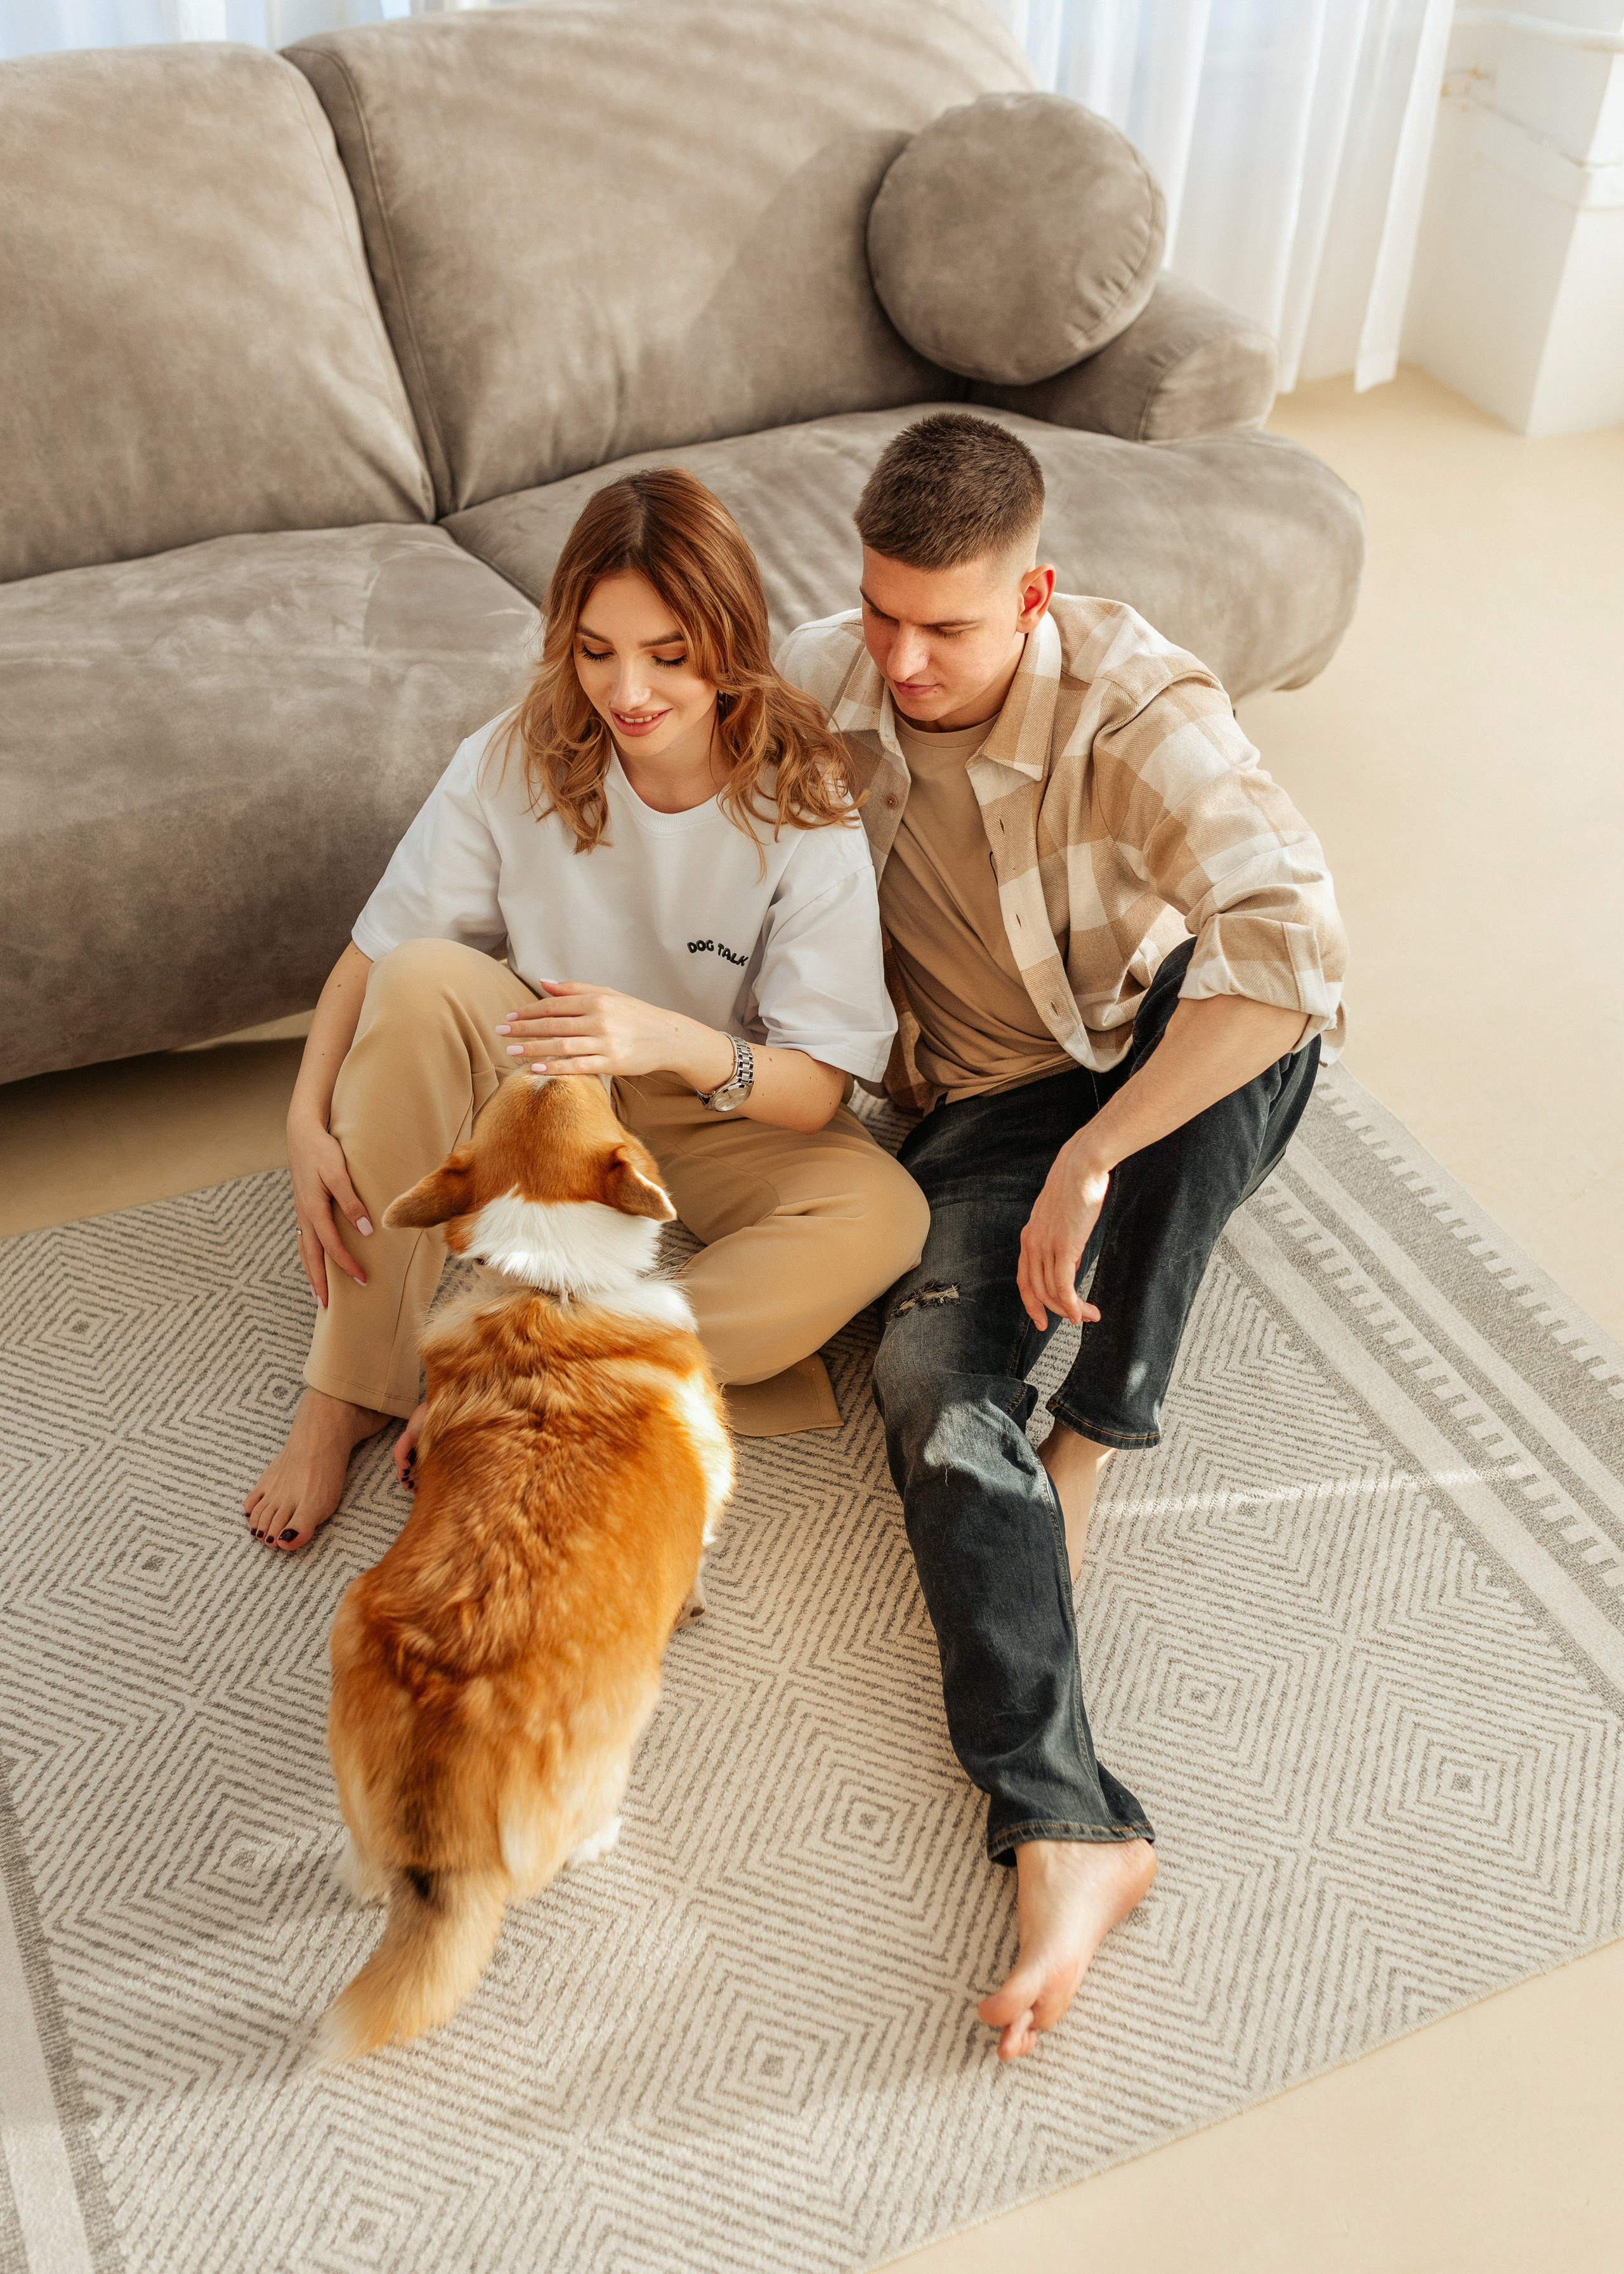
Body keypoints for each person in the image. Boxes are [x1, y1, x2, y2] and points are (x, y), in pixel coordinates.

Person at [779, 411, 1347, 2062]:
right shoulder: (832, 676)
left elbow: (1294, 941)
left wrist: (1101, 1148)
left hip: (1140, 1067)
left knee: (1249, 1003)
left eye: (944, 624)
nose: (901, 656)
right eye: (880, 610)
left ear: (1035, 593)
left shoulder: (1133, 701)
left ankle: (1096, 1428)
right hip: (969, 1119)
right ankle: (1068, 1825)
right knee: (933, 1408)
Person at [246, 469, 928, 1553]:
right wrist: (301, 1120)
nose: (629, 691)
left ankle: (550, 1365)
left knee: (887, 1218)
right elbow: (372, 958)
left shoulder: (804, 805)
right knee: (423, 975)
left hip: (712, 1096)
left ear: (728, 642)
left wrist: (664, 1037)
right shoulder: (515, 754)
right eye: (598, 649)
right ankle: (350, 1389)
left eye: (667, 654)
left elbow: (815, 1091)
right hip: (549, 1082)